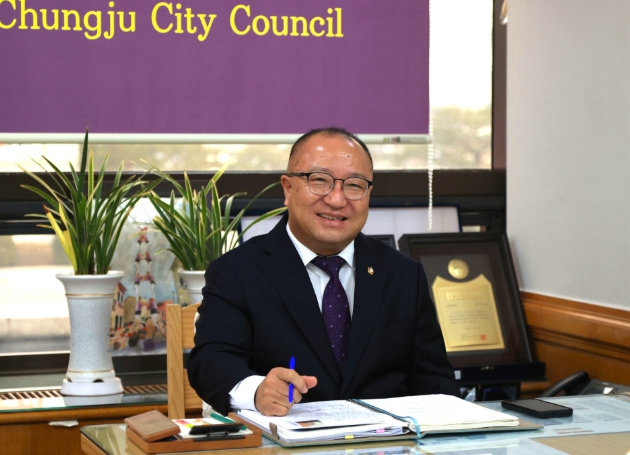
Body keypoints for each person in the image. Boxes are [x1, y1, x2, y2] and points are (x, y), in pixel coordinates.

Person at [187, 128, 459, 416]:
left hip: (389, 436)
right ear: (287, 189)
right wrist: (257, 391)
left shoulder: (403, 274)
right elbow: (211, 362)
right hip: (285, 435)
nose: (337, 200)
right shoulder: (237, 271)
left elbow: (436, 382)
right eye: (319, 181)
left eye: (354, 185)